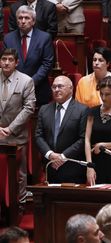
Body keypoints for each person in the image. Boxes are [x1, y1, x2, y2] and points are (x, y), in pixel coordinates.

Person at [35, 76, 88, 184]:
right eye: (54, 87)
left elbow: (83, 139)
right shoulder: (44, 109)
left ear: (70, 89)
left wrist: (63, 157)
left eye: (60, 86)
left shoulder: (82, 110)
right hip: (51, 167)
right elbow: (38, 136)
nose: (56, 90)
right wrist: (50, 154)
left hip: (73, 168)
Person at [0, 48, 36, 204]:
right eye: (3, 59)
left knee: (19, 174)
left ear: (16, 63)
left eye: (10, 60)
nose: (6, 63)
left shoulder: (26, 80)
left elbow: (29, 108)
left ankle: (20, 204)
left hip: (15, 136)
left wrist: (11, 128)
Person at [3, 6, 54, 107]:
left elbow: (47, 64)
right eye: (20, 18)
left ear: (33, 21)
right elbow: (6, 62)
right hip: (13, 91)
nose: (23, 21)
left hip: (38, 90)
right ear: (16, 21)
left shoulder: (45, 38)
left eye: (27, 18)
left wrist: (30, 82)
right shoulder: (8, 38)